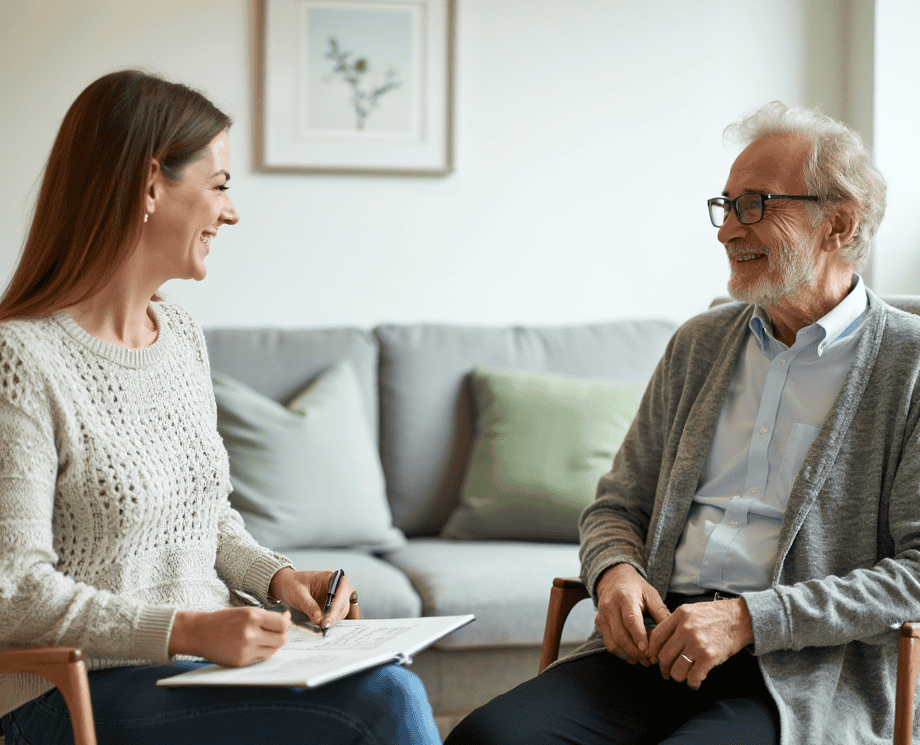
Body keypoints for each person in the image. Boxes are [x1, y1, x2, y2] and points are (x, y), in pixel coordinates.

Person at [445, 102, 920, 745]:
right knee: (489, 739)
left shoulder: (909, 365)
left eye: (754, 204)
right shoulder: (700, 343)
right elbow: (616, 505)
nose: (727, 231)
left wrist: (750, 619)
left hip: (799, 672)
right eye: (724, 206)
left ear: (838, 223)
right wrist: (614, 570)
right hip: (655, 648)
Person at [0, 69, 441, 745]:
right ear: (151, 183)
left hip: (194, 670)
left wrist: (280, 577)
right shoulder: (22, 359)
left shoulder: (179, 337)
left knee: (382, 676)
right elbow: (14, 591)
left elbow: (207, 517)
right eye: (220, 185)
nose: (230, 212)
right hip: (72, 693)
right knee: (380, 703)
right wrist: (188, 628)